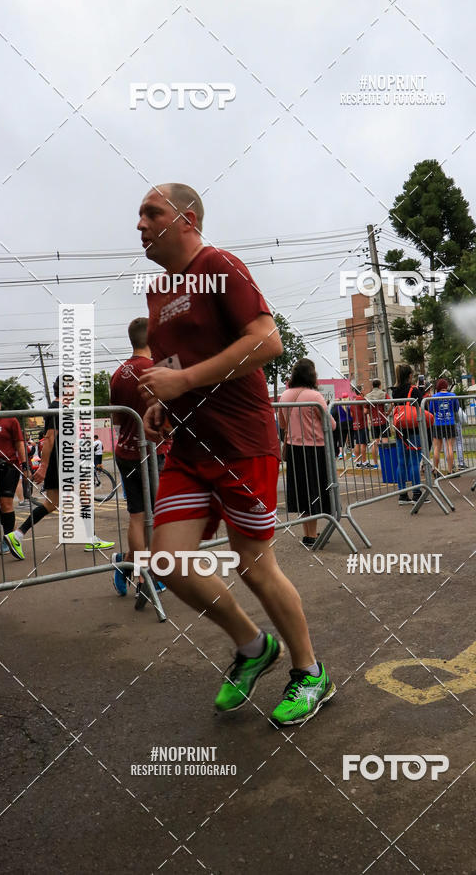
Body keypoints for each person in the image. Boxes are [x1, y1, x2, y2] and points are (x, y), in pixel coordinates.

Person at [136, 182, 335, 727]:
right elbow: (174, 365)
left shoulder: (220, 265)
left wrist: (184, 382)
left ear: (187, 219)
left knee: (253, 565)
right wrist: (160, 402)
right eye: (139, 216)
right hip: (188, 447)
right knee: (167, 561)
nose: (140, 224)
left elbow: (268, 341)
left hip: (242, 444)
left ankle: (310, 672)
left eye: (151, 213)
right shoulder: (156, 292)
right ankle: (253, 647)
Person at [4, 378, 114, 560]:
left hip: (62, 462)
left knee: (51, 503)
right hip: (62, 463)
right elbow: (49, 439)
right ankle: (91, 539)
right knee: (84, 495)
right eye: (75, 386)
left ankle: (17, 535)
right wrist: (44, 467)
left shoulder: (60, 408)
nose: (77, 389)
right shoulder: (58, 409)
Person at [109, 317, 167, 608]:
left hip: (126, 450)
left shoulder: (118, 373)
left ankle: (130, 565)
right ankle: (146, 576)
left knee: (138, 516)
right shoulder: (161, 367)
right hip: (154, 450)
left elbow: (117, 419)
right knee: (158, 517)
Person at [279, 359, 336, 547]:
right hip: (314, 449)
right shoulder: (314, 396)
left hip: (293, 449)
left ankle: (308, 533)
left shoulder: (284, 395)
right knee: (315, 491)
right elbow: (331, 424)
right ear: (312, 375)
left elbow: (282, 423)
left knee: (302, 492)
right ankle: (311, 536)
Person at [0, 394, 27, 555]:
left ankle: (7, 539)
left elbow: (19, 443)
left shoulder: (10, 420)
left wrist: (25, 464)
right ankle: (12, 529)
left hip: (9, 467)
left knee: (6, 505)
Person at [391, 365, 432, 505]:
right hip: (413, 429)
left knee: (402, 462)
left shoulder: (395, 391)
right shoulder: (413, 390)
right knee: (414, 461)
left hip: (400, 429)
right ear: (409, 375)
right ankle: (416, 494)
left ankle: (402, 495)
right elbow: (422, 406)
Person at [427, 379, 460, 476]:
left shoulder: (434, 396)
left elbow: (431, 410)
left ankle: (435, 470)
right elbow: (456, 408)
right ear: (446, 386)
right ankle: (450, 471)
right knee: (449, 447)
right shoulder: (453, 395)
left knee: (437, 448)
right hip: (450, 422)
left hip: (438, 423)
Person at [365, 379, 389, 469]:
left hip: (374, 421)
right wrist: (387, 413)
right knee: (385, 442)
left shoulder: (368, 396)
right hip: (383, 420)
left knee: (375, 443)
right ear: (379, 386)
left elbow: (365, 411)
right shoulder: (384, 394)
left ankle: (375, 464)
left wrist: (371, 412)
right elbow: (392, 403)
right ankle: (386, 463)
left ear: (372, 386)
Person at [350, 385, 369, 468]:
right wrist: (369, 411)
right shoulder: (362, 399)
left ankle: (358, 462)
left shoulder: (353, 400)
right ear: (361, 391)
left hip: (355, 424)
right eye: (363, 389)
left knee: (357, 443)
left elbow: (351, 414)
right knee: (363, 443)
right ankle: (364, 462)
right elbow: (365, 411)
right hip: (362, 424)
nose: (364, 391)